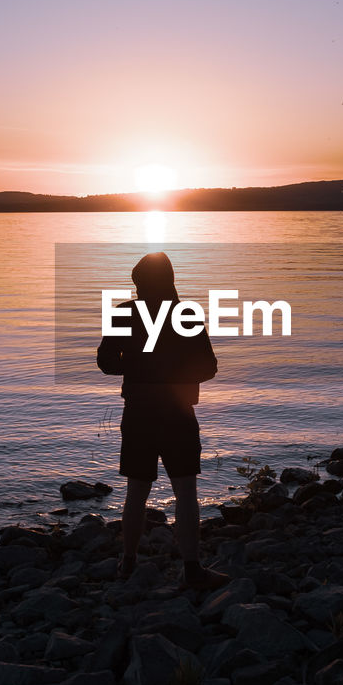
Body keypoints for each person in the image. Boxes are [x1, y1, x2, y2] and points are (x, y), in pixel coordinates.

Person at [97, 251, 229, 591]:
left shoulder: (123, 313)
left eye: (137, 282)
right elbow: (209, 367)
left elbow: (106, 362)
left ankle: (128, 563)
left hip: (139, 411)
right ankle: (192, 569)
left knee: (136, 491)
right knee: (185, 491)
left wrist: (140, 368)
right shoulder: (187, 314)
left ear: (140, 282)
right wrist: (172, 372)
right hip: (178, 412)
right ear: (170, 280)